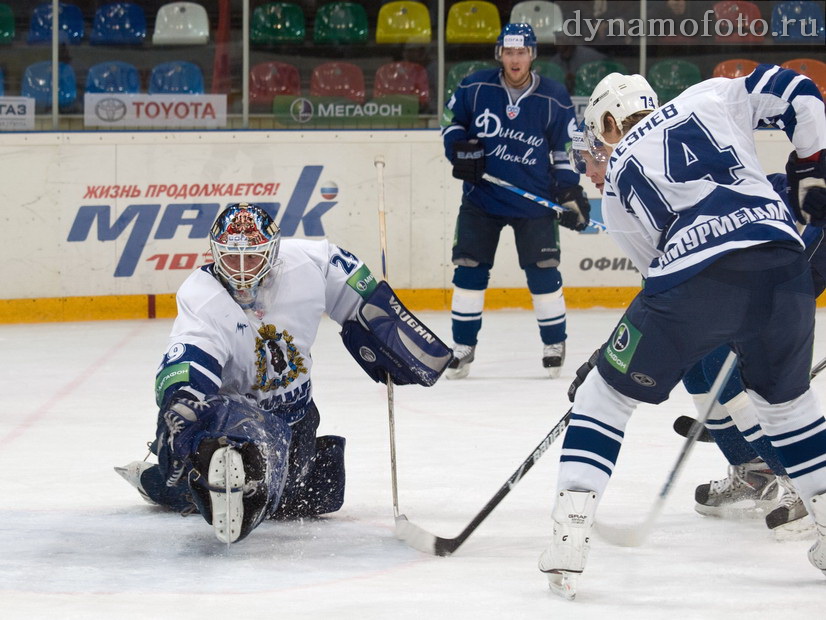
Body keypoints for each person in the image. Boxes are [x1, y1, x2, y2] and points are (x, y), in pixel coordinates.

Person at [538, 65, 826, 600]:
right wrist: (813, 166)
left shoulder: (620, 173)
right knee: (788, 405)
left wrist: (610, 362)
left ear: (608, 120)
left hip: (698, 278)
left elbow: (665, 286)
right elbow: (799, 90)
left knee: (605, 397)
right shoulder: (711, 96)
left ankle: (568, 537)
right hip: (784, 267)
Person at [116, 203, 451, 543]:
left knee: (309, 495)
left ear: (273, 251)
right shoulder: (203, 295)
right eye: (232, 258)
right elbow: (192, 351)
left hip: (298, 415)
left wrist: (383, 324)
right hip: (234, 418)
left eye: (254, 257)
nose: (243, 270)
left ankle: (180, 481)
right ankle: (200, 472)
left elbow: (357, 287)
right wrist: (183, 397)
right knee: (249, 483)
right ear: (216, 253)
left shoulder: (312, 262)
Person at [571, 123, 826, 538]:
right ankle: (754, 469)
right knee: (701, 367)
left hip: (762, 277)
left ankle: (799, 479)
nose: (586, 168)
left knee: (754, 386)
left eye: (590, 157)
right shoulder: (651, 174)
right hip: (744, 273)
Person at [441, 22, 591, 380]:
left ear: (533, 55)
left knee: (543, 273)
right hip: (482, 198)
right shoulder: (475, 87)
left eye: (521, 51)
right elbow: (451, 123)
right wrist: (458, 149)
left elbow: (564, 150)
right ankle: (463, 347)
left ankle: (554, 343)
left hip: (534, 202)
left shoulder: (553, 97)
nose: (515, 58)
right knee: (468, 271)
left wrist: (568, 189)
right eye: (508, 52)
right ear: (499, 54)